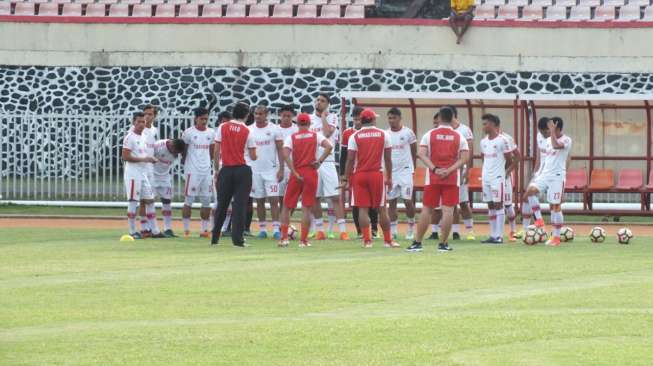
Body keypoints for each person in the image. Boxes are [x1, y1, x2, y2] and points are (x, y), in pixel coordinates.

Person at [406, 107, 469, 252]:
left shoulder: (429, 134)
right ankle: (443, 244)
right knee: (448, 211)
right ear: (452, 117)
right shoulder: (459, 136)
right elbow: (464, 158)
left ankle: (417, 243)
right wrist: (449, 170)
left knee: (427, 210)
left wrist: (434, 169)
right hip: (452, 178)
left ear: (439, 117)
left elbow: (421, 154)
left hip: (433, 178)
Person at [343, 108, 399, 249]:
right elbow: (388, 159)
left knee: (362, 209)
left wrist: (345, 178)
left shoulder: (354, 136)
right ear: (373, 119)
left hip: (359, 175)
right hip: (376, 175)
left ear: (361, 120)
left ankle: (367, 241)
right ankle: (388, 241)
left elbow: (349, 160)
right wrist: (390, 177)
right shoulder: (383, 134)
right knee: (382, 209)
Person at [279, 113, 333, 247]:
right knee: (306, 208)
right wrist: (319, 161)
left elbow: (285, 154)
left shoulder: (291, 137)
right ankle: (303, 241)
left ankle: (284, 238)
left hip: (296, 172)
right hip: (310, 172)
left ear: (297, 124)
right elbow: (329, 146)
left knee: (286, 207)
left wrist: (293, 171)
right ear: (309, 124)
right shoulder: (316, 135)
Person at [211, 102, 257, 247]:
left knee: (222, 204)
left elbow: (217, 150)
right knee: (239, 205)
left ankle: (215, 238)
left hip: (226, 169)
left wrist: (216, 169)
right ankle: (238, 240)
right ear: (246, 115)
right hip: (243, 170)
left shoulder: (222, 127)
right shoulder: (248, 131)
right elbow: (253, 155)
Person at [523, 117, 572, 247]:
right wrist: (536, 173)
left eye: (553, 127)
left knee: (555, 206)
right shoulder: (548, 141)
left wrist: (551, 132)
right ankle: (539, 219)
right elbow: (544, 158)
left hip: (557, 177)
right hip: (545, 175)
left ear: (558, 128)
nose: (550, 130)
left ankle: (556, 238)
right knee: (529, 192)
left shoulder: (566, 140)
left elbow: (557, 146)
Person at [310, 93, 349, 241]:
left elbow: (326, 133)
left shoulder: (332, 117)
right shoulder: (308, 119)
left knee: (335, 197)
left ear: (328, 104)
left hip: (327, 162)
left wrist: (324, 117)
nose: (319, 102)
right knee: (315, 197)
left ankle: (343, 231)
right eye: (318, 100)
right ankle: (319, 230)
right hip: (313, 163)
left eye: (323, 101)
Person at [340, 106, 379, 238]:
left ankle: (374, 229)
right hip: (353, 173)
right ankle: (359, 231)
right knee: (356, 203)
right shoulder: (347, 133)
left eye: (359, 119)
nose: (357, 122)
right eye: (355, 119)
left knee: (373, 202)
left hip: (366, 171)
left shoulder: (374, 133)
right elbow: (344, 156)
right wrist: (343, 175)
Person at [479, 114, 517, 244]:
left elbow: (510, 160)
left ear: (494, 125)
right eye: (483, 124)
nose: (483, 126)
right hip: (486, 178)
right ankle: (492, 235)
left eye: (486, 124)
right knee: (490, 205)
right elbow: (483, 158)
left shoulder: (503, 140)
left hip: (498, 178)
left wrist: (504, 172)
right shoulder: (483, 142)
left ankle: (499, 236)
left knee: (499, 205)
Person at [122, 112, 161, 239]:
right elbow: (125, 156)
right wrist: (144, 160)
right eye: (138, 122)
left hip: (143, 173)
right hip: (133, 174)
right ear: (133, 122)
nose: (141, 124)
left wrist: (148, 159)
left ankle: (154, 230)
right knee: (133, 201)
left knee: (150, 200)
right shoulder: (130, 137)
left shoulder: (144, 136)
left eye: (143, 122)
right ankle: (132, 231)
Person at [249, 105, 285, 240]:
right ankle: (263, 229)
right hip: (255, 171)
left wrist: (281, 168)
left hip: (271, 171)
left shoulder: (274, 129)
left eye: (260, 114)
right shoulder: (249, 130)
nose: (257, 116)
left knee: (274, 199)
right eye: (256, 114)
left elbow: (281, 150)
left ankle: (276, 229)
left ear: (266, 115)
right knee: (259, 201)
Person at [181, 107, 215, 238]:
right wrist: (187, 164)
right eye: (202, 119)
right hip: (192, 172)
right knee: (189, 200)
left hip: (206, 172)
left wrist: (207, 164)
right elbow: (184, 151)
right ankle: (186, 230)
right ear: (196, 118)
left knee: (206, 201)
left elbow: (212, 152)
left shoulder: (211, 133)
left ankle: (204, 230)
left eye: (206, 119)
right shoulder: (188, 133)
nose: (204, 121)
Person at [385, 107, 417, 240]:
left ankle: (410, 228)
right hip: (391, 172)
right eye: (389, 118)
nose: (391, 121)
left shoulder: (408, 133)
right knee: (391, 202)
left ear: (399, 118)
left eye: (394, 118)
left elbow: (414, 151)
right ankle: (393, 230)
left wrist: (412, 168)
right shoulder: (385, 134)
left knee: (407, 201)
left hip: (405, 171)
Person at [449, 105, 476, 241]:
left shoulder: (465, 130)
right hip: (449, 172)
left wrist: (467, 171)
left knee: (464, 202)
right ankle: (455, 232)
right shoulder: (443, 130)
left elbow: (469, 152)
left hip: (462, 171)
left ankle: (470, 231)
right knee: (452, 203)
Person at [521, 117, 551, 234]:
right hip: (540, 174)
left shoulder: (556, 141)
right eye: (541, 131)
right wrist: (535, 172)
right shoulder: (540, 136)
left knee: (555, 205)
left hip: (550, 174)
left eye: (545, 131)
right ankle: (526, 229)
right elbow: (539, 155)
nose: (543, 134)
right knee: (526, 196)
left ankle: (544, 228)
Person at [151, 138, 186, 237]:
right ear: (171, 145)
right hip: (152, 176)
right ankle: (151, 228)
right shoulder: (158, 146)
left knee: (167, 201)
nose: (175, 154)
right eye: (175, 151)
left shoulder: (177, 151)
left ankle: (168, 229)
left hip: (165, 177)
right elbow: (148, 157)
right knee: (150, 202)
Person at [135, 104, 159, 237]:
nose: (147, 117)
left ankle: (151, 228)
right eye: (145, 114)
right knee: (143, 200)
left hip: (151, 169)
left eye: (150, 114)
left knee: (150, 198)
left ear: (155, 116)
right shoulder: (137, 130)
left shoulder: (155, 131)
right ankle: (145, 228)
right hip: (140, 169)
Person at [500, 129, 521, 241]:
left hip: (505, 176)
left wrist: (508, 171)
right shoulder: (486, 140)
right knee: (494, 205)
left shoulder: (507, 138)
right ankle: (496, 233)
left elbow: (517, 156)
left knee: (508, 204)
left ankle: (513, 231)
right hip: (493, 177)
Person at [277, 104, 299, 198]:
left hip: (293, 166)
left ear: (293, 116)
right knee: (280, 196)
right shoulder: (275, 129)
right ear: (280, 115)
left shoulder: (297, 129)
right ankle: (283, 213)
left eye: (288, 116)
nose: (286, 118)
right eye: (284, 116)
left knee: (292, 195)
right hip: (278, 166)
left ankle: (287, 213)